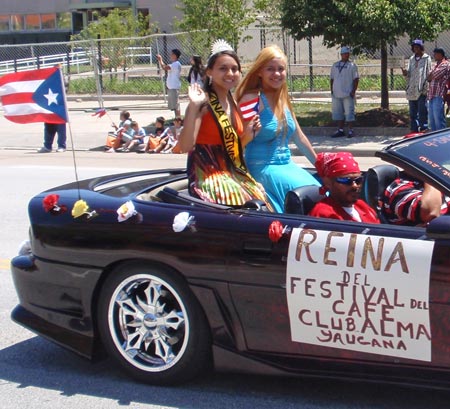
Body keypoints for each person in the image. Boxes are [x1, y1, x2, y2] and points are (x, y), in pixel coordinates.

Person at [178, 39, 271, 208]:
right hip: (207, 173)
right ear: (209, 72)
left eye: (234, 69)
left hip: (230, 172)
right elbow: (185, 146)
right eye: (223, 68)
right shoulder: (203, 103)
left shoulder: (232, 102)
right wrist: (193, 107)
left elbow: (230, 149)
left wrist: (247, 136)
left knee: (260, 196)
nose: (230, 73)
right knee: (240, 199)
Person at [235, 44, 320, 213]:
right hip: (262, 168)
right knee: (310, 199)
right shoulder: (251, 99)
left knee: (322, 191)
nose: (276, 74)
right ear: (259, 71)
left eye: (281, 69)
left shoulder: (283, 99)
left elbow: (299, 137)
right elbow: (237, 144)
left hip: (287, 165)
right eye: (270, 69)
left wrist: (321, 167)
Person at [309, 152, 380, 223]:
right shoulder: (323, 215)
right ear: (328, 182)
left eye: (358, 180)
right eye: (346, 180)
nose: (355, 186)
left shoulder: (362, 206)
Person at [383, 177, 450, 226]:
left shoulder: (442, 183)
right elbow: (431, 213)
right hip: (419, 239)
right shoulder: (399, 188)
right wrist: (431, 179)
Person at [402, 39, 432, 132]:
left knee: (422, 111)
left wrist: (426, 87)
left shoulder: (426, 58)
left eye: (417, 47)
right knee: (412, 113)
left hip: (421, 89)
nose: (416, 49)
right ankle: (414, 129)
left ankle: (424, 128)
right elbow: (409, 73)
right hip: (412, 89)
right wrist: (405, 73)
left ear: (421, 47)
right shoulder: (411, 59)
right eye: (414, 47)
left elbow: (428, 72)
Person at [329, 46, 359, 138]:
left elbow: (356, 78)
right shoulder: (335, 65)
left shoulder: (352, 66)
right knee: (338, 112)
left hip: (347, 93)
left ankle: (351, 130)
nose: (346, 55)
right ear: (341, 54)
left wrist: (353, 91)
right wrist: (332, 90)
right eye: (344, 53)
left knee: (349, 112)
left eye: (347, 54)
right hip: (336, 93)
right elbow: (332, 78)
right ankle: (340, 130)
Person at [426, 47, 450, 131]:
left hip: (439, 94)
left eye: (435, 54)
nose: (434, 55)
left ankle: (441, 138)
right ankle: (434, 138)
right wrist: (431, 75)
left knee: (438, 119)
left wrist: (431, 74)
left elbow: (436, 74)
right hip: (431, 95)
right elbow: (428, 77)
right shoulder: (435, 64)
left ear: (440, 54)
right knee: (432, 120)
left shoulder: (445, 64)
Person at [156, 49, 182, 117]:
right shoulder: (173, 64)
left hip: (174, 88)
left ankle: (178, 119)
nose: (170, 55)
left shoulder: (176, 64)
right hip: (171, 88)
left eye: (172, 54)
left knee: (176, 105)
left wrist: (160, 60)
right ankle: (176, 118)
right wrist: (160, 60)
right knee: (174, 106)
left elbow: (164, 67)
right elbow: (165, 66)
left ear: (175, 55)